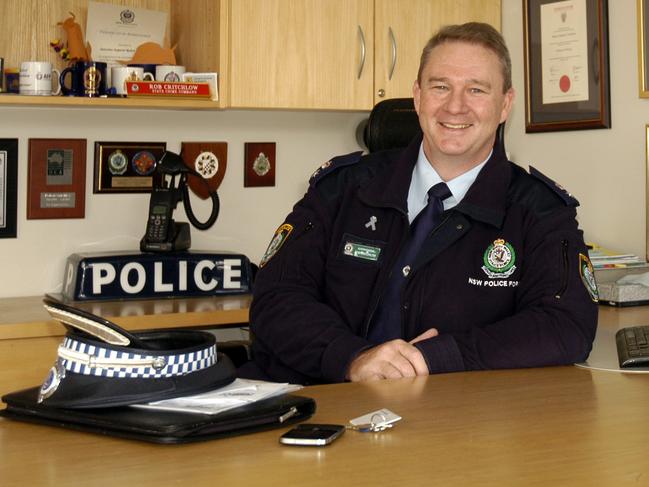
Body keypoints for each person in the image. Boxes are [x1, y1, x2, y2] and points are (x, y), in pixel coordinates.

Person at [245, 22, 598, 384]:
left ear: (505, 104)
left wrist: (438, 357)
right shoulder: (343, 189)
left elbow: (567, 326)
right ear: (417, 96)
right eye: (440, 87)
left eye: (476, 89)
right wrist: (353, 358)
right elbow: (276, 299)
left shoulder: (539, 211)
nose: (455, 106)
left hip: (453, 422)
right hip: (323, 404)